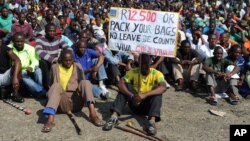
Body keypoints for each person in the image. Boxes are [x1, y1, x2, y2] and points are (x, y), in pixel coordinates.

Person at [103, 54, 167, 136]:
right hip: (134, 102)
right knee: (124, 87)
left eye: (145, 65)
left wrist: (145, 95)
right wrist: (131, 95)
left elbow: (163, 87)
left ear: (150, 63)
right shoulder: (133, 71)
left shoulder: (157, 73)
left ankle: (151, 122)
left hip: (147, 108)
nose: (143, 67)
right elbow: (120, 83)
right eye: (141, 65)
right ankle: (114, 117)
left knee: (158, 92)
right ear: (138, 63)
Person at [41, 49, 104, 133]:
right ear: (61, 60)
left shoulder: (78, 66)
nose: (68, 62)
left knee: (85, 82)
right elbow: (50, 85)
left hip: (76, 102)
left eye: (70, 60)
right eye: (65, 60)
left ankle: (93, 114)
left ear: (73, 59)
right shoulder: (54, 67)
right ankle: (50, 119)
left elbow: (82, 85)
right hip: (61, 102)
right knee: (56, 85)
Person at [8, 32, 46, 98]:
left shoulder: (30, 48)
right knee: (23, 75)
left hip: (28, 68)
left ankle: (38, 91)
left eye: (21, 41)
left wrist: (31, 67)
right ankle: (42, 91)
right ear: (13, 41)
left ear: (24, 41)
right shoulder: (9, 48)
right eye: (17, 41)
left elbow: (35, 60)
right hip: (17, 70)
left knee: (38, 70)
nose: (19, 43)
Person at [35, 23, 70, 89]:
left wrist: (67, 54)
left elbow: (67, 47)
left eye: (53, 31)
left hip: (56, 59)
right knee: (44, 64)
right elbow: (39, 51)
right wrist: (52, 60)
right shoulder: (40, 39)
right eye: (50, 31)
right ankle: (47, 87)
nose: (52, 33)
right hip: (45, 60)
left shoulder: (58, 39)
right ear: (45, 31)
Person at [0, 38, 22, 102]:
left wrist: (15, 77)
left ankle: (15, 94)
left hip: (5, 75)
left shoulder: (6, 49)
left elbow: (17, 60)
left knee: (17, 66)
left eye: (0, 39)